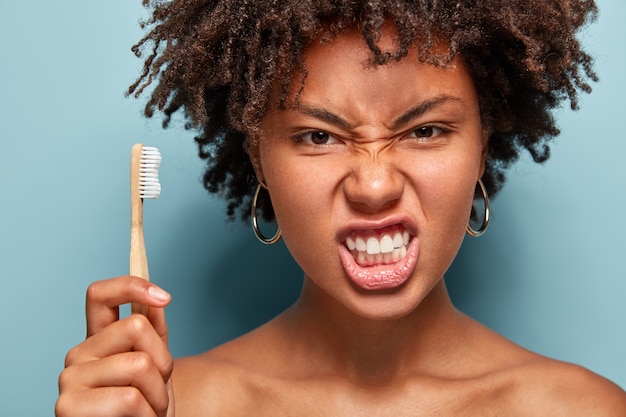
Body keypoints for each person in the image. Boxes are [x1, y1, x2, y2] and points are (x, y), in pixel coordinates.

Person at [56, 1, 626, 416]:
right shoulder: (168, 408)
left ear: (482, 145)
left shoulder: (584, 409)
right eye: (317, 137)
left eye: (425, 129)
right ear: (259, 159)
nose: (373, 186)